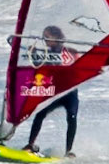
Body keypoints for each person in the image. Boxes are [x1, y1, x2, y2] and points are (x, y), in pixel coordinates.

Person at [25, 25, 79, 156]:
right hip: (53, 92)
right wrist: (31, 54)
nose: (45, 40)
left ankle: (68, 151)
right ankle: (30, 145)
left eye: (47, 38)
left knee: (72, 117)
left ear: (57, 38)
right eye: (44, 38)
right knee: (40, 114)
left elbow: (81, 68)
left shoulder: (71, 52)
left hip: (69, 93)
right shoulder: (44, 53)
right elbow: (35, 65)